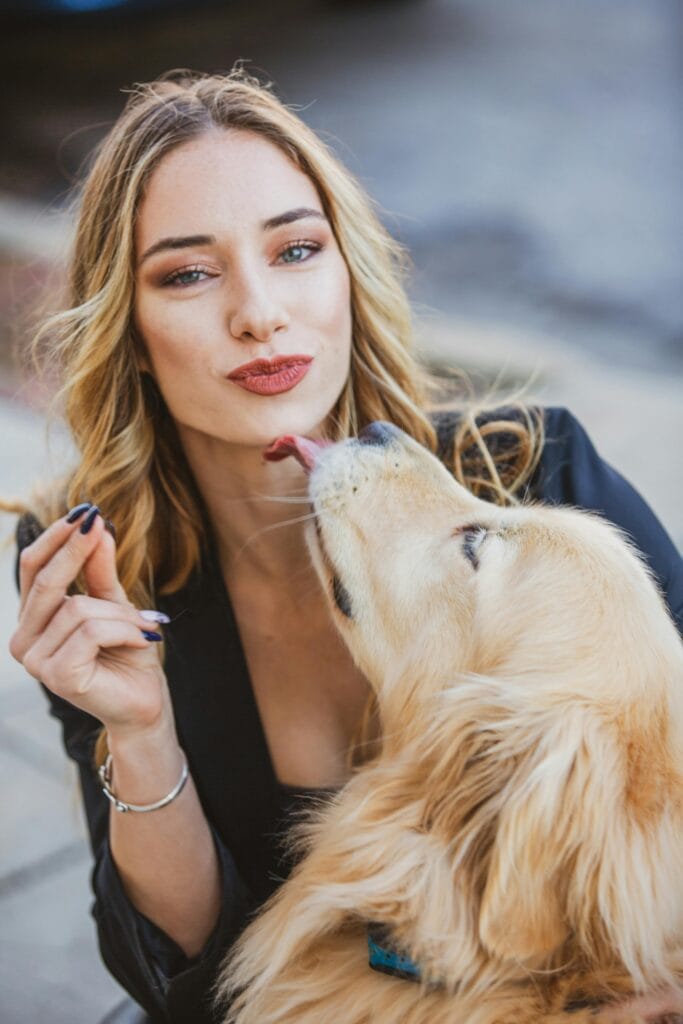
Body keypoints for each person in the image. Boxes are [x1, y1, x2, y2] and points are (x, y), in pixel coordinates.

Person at [5, 69, 683, 1024]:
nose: (259, 312)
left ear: (346, 271)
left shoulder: (541, 474)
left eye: (295, 249)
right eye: (188, 273)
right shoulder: (101, 563)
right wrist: (139, 730)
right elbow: (188, 977)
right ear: (132, 328)